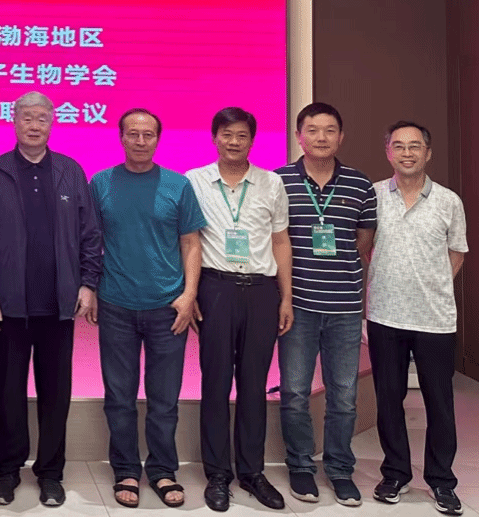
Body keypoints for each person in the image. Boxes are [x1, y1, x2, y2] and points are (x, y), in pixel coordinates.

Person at [0, 91, 102, 508]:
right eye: (26, 118)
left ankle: (50, 472)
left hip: (58, 304)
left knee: (55, 393)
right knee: (9, 391)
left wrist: (88, 284)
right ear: (14, 121)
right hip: (9, 305)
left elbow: (89, 234)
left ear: (51, 124)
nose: (33, 125)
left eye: (41, 118)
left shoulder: (69, 171)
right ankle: (7, 470)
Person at [91, 108, 206, 509]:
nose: (141, 141)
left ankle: (162, 469)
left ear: (158, 138)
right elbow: (90, 241)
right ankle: (125, 469)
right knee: (119, 397)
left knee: (164, 399)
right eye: (133, 134)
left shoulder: (178, 185)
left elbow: (191, 243)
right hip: (116, 306)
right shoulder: (100, 183)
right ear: (121, 137)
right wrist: (90, 288)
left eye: (148, 135)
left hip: (167, 309)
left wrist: (189, 295)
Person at [185, 106, 294, 512]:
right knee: (215, 382)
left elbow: (280, 241)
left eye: (242, 135)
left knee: (253, 383)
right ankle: (218, 474)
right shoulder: (193, 181)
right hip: (216, 289)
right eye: (227, 134)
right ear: (215, 137)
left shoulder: (271, 183)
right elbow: (188, 241)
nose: (234, 141)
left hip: (262, 292)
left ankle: (252, 471)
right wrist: (190, 293)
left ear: (252, 140)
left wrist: (286, 297)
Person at [275, 102, 376, 507]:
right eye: (313, 130)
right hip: (297, 306)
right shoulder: (279, 181)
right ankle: (300, 465)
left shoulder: (359, 184)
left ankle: (339, 469)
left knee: (344, 394)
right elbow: (276, 240)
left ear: (341, 137)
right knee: (295, 392)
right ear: (299, 136)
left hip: (345, 307)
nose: (321, 137)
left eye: (330, 130)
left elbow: (363, 240)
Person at [367, 121, 468, 517]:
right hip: (385, 316)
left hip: (435, 320)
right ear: (388, 152)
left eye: (414, 146)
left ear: (428, 153)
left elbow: (456, 253)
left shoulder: (449, 201)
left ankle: (442, 480)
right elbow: (365, 247)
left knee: (439, 403)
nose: (406, 153)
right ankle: (395, 474)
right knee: (389, 399)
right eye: (399, 146)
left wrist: (430, 285)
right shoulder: (374, 195)